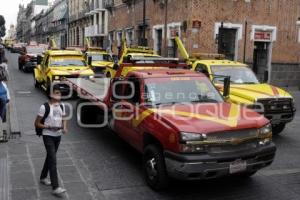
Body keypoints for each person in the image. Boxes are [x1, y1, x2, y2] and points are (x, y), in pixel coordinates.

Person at [34, 85, 68, 195]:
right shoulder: (44, 107)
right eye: (57, 93)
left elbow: (64, 118)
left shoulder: (61, 105)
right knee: (53, 160)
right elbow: (37, 123)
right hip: (48, 135)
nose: (59, 95)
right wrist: (48, 127)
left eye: (60, 93)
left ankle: (43, 177)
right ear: (51, 94)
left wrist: (65, 127)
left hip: (58, 136)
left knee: (50, 157)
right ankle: (55, 187)